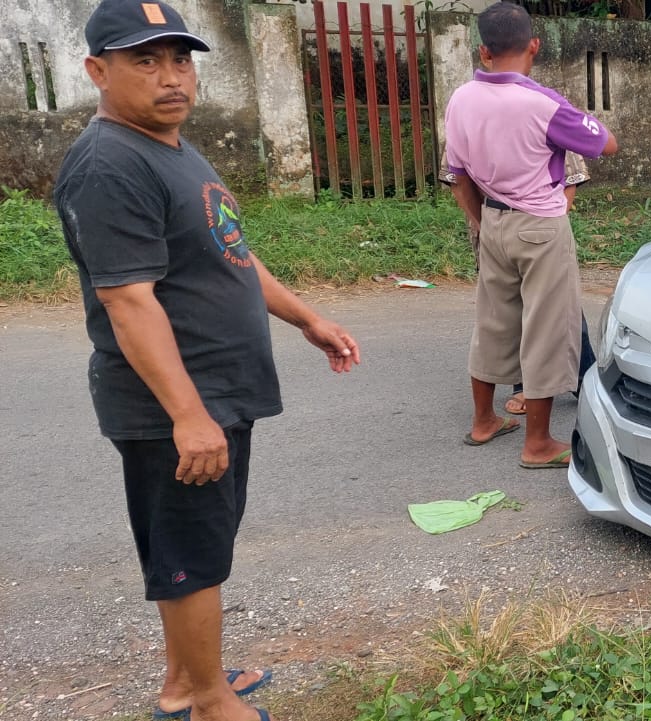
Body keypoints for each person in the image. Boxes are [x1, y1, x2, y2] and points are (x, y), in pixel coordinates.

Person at [53, 2, 361, 720]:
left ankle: (185, 679)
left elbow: (229, 251)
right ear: (99, 70)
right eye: (146, 60)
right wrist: (188, 416)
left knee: (195, 545)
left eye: (182, 60)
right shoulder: (109, 164)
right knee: (191, 557)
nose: (172, 78)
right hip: (175, 403)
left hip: (214, 391)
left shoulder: (170, 146)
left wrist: (307, 317)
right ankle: (211, 702)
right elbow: (129, 303)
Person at [443, 1, 616, 468]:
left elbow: (456, 175)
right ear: (534, 45)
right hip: (540, 224)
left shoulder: (460, 99)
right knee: (545, 328)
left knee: (493, 321)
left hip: (491, 222)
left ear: (483, 51)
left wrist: (482, 221)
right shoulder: (542, 103)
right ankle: (538, 444)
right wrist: (564, 108)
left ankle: (484, 421)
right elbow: (606, 143)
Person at [506, 150, 595, 415]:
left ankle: (585, 380)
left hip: (544, 229)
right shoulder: (473, 117)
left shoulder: (547, 113)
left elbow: (571, 177)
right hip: (497, 229)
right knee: (514, 307)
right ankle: (523, 385)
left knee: (564, 307)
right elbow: (459, 179)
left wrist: (553, 223)